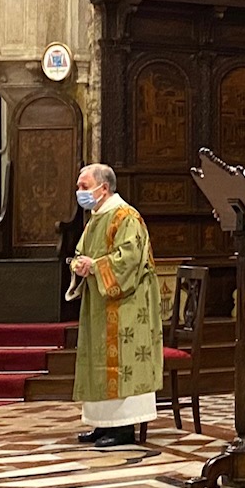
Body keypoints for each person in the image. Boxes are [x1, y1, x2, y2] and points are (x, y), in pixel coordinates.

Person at [68, 164, 163, 449]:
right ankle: (103, 422)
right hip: (101, 300)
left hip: (127, 303)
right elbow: (80, 252)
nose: (79, 192)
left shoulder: (126, 216)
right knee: (99, 362)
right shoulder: (97, 217)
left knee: (123, 363)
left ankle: (123, 427)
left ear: (104, 188)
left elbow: (129, 259)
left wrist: (95, 266)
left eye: (84, 187)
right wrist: (79, 264)